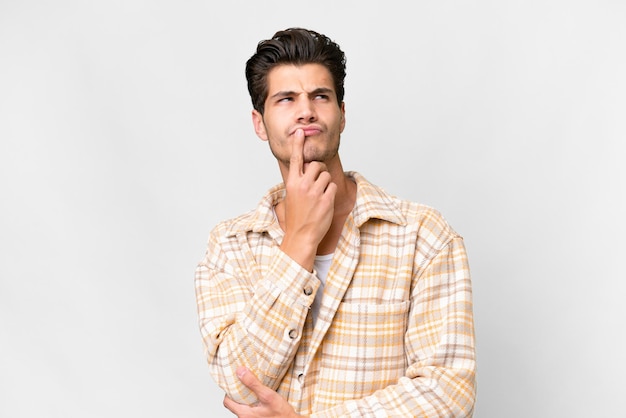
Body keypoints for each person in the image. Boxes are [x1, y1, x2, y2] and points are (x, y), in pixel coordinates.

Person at [194, 27, 476, 417]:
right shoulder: (229, 245)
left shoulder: (423, 236)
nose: (305, 110)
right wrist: (299, 242)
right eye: (286, 99)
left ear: (341, 116)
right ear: (259, 123)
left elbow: (448, 395)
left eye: (320, 96)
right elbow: (238, 382)